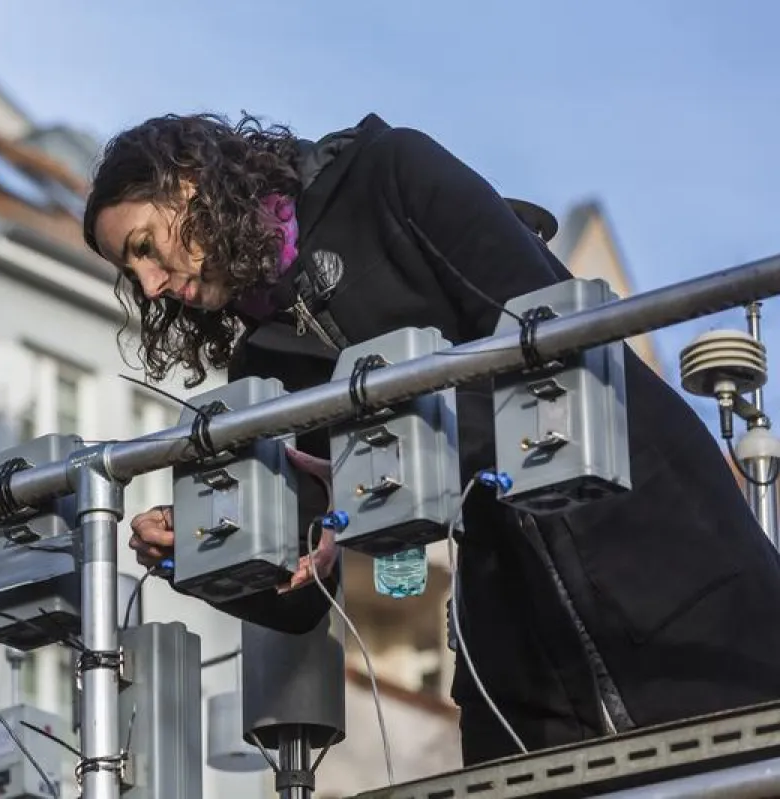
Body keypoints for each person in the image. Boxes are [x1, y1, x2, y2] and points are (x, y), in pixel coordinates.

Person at [81, 112, 780, 766]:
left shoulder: (390, 173)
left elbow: (552, 356)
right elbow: (300, 591)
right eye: (130, 273)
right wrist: (202, 549)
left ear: (190, 180)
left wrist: (356, 460)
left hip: (660, 553)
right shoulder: (263, 366)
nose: (150, 284)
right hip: (519, 635)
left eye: (145, 245)